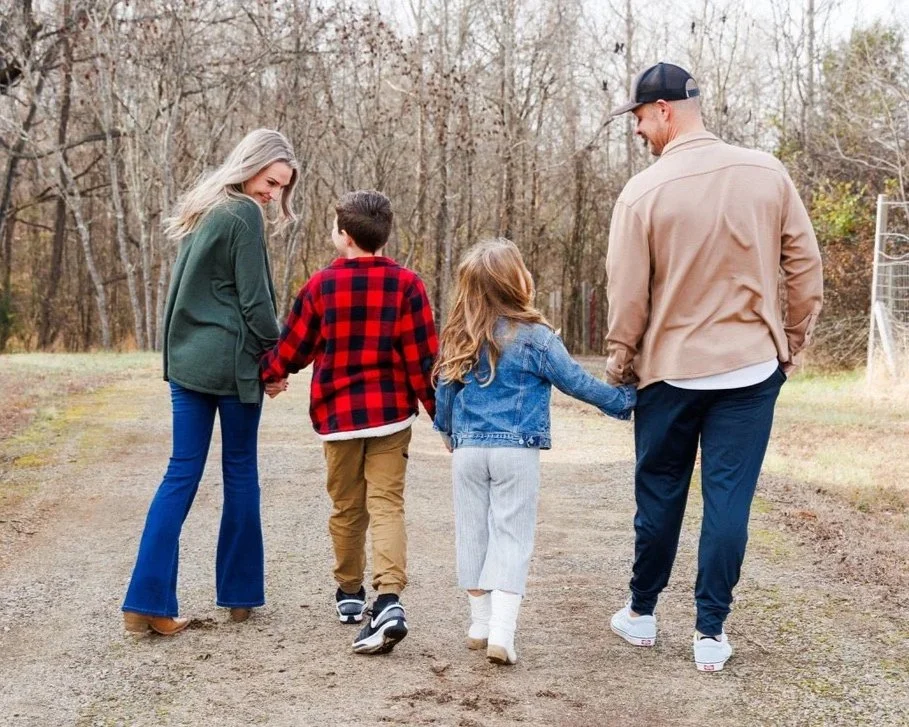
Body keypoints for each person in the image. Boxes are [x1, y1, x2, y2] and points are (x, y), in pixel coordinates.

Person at [605, 62, 823, 671]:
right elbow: (805, 265)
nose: (638, 130)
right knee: (729, 500)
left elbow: (628, 293)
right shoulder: (768, 173)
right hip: (751, 369)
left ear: (665, 111)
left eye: (640, 118)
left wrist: (622, 360)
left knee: (660, 494)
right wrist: (792, 340)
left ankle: (642, 614)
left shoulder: (642, 193)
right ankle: (709, 633)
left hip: (671, 372)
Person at [122, 129, 299, 636]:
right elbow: (255, 303)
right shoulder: (243, 213)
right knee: (240, 471)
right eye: (270, 182)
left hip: (187, 362)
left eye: (281, 187)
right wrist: (276, 358)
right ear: (251, 165)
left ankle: (145, 603)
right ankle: (240, 597)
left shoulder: (208, 206)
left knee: (179, 475)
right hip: (232, 366)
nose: (273, 195)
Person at [433, 239, 636, 666]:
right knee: (512, 535)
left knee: (472, 531)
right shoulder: (536, 337)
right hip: (515, 451)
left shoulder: (459, 334)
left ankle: (479, 623)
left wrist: (447, 430)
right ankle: (502, 633)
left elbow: (445, 389)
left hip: (468, 450)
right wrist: (623, 401)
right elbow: (576, 382)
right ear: (517, 282)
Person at [260, 190, 437, 655]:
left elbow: (294, 347)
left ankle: (350, 592)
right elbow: (423, 360)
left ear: (344, 236)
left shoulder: (320, 287)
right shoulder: (408, 286)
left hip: (338, 418)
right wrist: (444, 417)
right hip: (390, 416)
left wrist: (269, 374)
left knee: (346, 507)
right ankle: (389, 598)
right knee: (387, 505)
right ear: (383, 236)